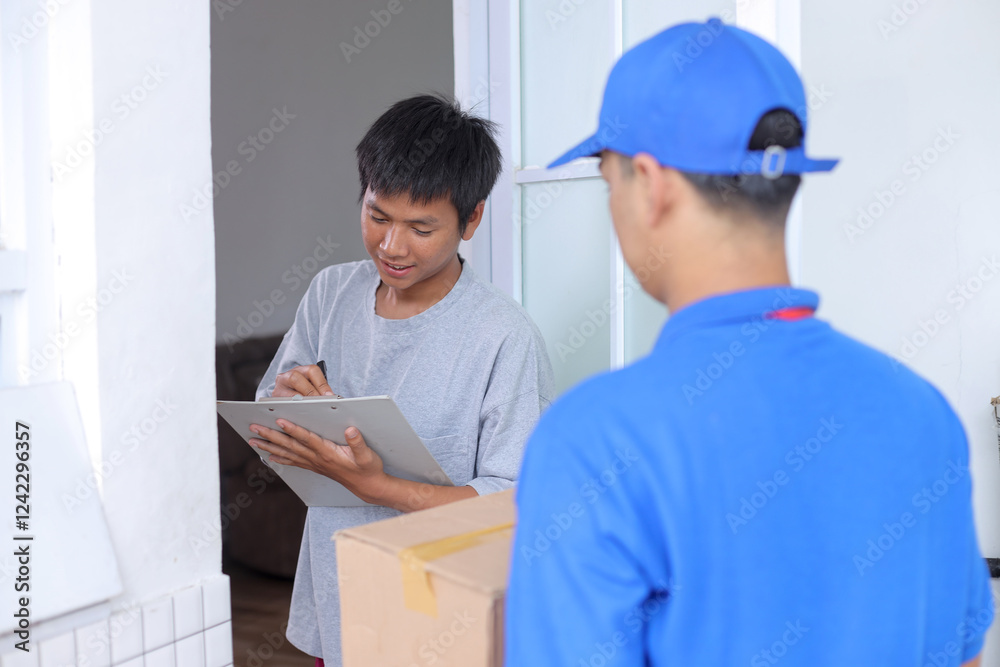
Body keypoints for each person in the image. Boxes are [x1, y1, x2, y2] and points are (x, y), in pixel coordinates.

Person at [505, 18, 992, 667]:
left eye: (608, 178)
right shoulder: (922, 412)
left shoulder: (594, 441)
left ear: (650, 184)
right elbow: (961, 655)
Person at [249, 94, 554, 666]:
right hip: (340, 594)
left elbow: (514, 503)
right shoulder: (331, 293)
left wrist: (378, 487)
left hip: (444, 616)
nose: (391, 246)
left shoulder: (503, 338)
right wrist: (283, 413)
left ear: (473, 218)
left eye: (420, 227)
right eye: (377, 216)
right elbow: (270, 428)